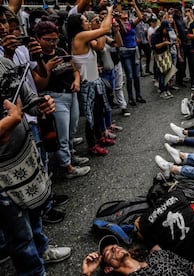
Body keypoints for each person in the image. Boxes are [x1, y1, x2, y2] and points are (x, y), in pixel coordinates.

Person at [0, 57, 71, 276]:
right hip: (2, 171)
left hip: (25, 154)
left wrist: (43, 103)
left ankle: (42, 250)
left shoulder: (4, 63)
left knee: (34, 212)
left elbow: (28, 98)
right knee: (19, 233)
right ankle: (33, 271)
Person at [34, 19, 91, 179]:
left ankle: (71, 156)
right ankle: (68, 168)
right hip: (55, 97)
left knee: (72, 130)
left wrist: (76, 81)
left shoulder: (60, 51)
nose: (52, 43)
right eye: (48, 40)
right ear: (38, 38)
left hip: (71, 95)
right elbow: (39, 86)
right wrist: (48, 68)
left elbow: (75, 69)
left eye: (54, 39)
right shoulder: (37, 58)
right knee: (62, 135)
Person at [67, 6, 115, 156]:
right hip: (87, 85)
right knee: (90, 117)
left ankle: (100, 137)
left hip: (96, 82)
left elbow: (100, 46)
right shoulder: (79, 37)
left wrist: (99, 28)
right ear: (78, 25)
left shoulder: (86, 39)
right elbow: (106, 30)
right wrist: (108, 13)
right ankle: (92, 145)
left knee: (98, 112)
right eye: (84, 21)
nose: (87, 23)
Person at [81, 235, 194, 276]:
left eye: (115, 245)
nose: (115, 247)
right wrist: (87, 273)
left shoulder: (158, 256)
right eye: (108, 252)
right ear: (108, 268)